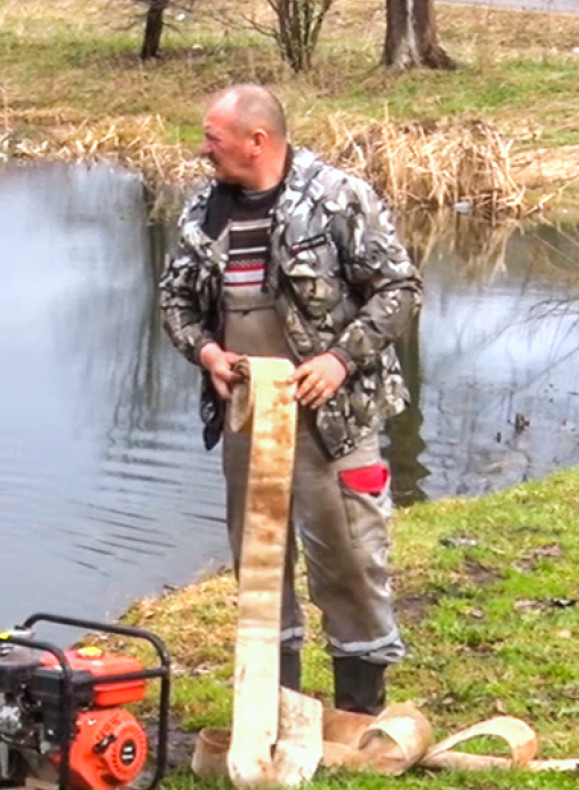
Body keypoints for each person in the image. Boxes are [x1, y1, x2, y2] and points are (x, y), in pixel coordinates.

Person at [157, 83, 421, 715]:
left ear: (257, 141)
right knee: (258, 567)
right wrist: (206, 353)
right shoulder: (202, 212)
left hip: (335, 419)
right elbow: (175, 299)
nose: (204, 150)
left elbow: (400, 289)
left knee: (349, 559)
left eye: (213, 139)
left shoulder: (338, 197)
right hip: (248, 416)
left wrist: (339, 359)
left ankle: (359, 712)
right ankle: (274, 711)